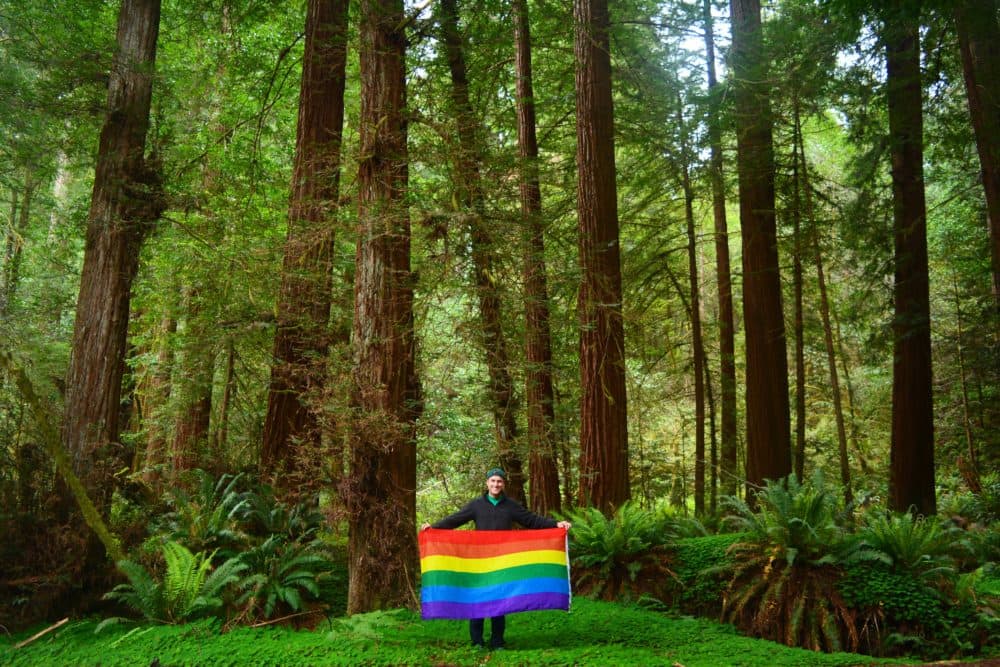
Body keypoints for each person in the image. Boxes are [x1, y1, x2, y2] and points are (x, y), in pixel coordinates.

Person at [422, 467, 571, 651]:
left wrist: (556, 525)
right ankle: (477, 641)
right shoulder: (476, 505)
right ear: (487, 483)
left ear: (503, 484)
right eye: (492, 481)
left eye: (499, 481)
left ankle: (498, 641)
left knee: (500, 600)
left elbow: (532, 520)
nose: (496, 484)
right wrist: (433, 528)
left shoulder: (511, 505)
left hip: (502, 560)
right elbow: (455, 519)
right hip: (479, 561)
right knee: (477, 599)